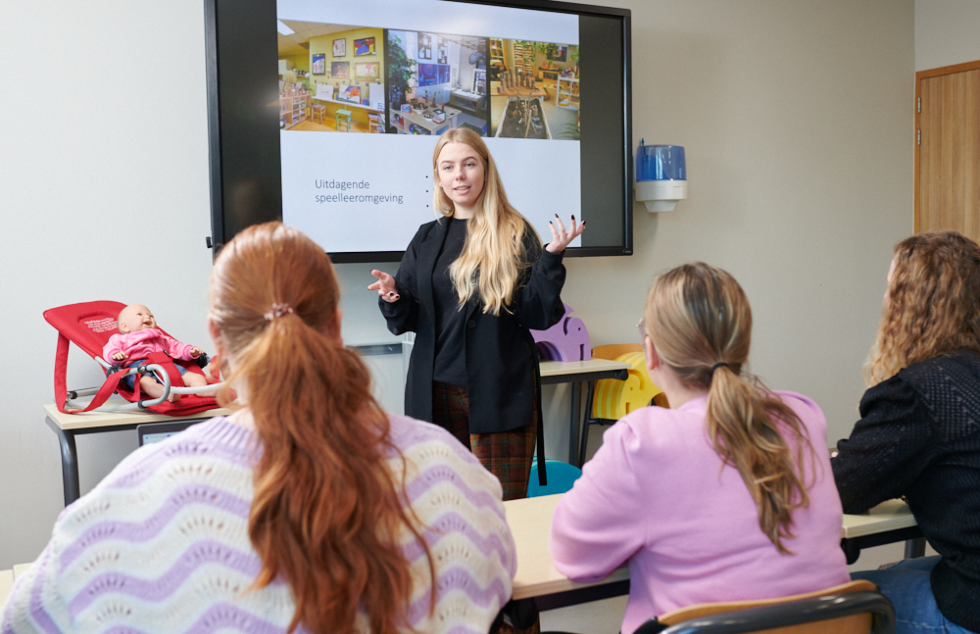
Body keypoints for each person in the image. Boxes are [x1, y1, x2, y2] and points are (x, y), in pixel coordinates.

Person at [3, 222, 515, 634]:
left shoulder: (128, 500)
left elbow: (24, 619)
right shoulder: (456, 476)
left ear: (215, 339)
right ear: (335, 325)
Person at [550, 263, 849, 634]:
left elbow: (573, 555)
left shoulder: (641, 440)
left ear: (651, 352)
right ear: (742, 345)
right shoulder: (801, 417)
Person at [368, 127, 584, 500]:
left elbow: (538, 314)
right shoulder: (426, 237)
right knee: (441, 506)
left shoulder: (515, 231)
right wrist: (392, 296)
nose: (459, 175)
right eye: (448, 167)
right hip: (434, 392)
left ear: (485, 169)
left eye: (469, 164)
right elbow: (407, 319)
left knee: (500, 507)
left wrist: (550, 260)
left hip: (500, 391)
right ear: (438, 176)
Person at [832, 231, 980, 634]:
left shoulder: (921, 391)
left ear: (908, 305)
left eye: (889, 290)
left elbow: (842, 488)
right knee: (896, 569)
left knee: (834, 604)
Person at [102, 303, 210, 401]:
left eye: (151, 316)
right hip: (139, 368)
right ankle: (166, 394)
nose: (147, 317)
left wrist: (190, 351)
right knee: (146, 383)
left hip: (166, 365)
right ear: (125, 327)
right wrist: (114, 354)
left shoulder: (161, 338)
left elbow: (177, 347)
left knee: (195, 377)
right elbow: (108, 350)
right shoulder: (121, 339)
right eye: (139, 314)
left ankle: (202, 390)